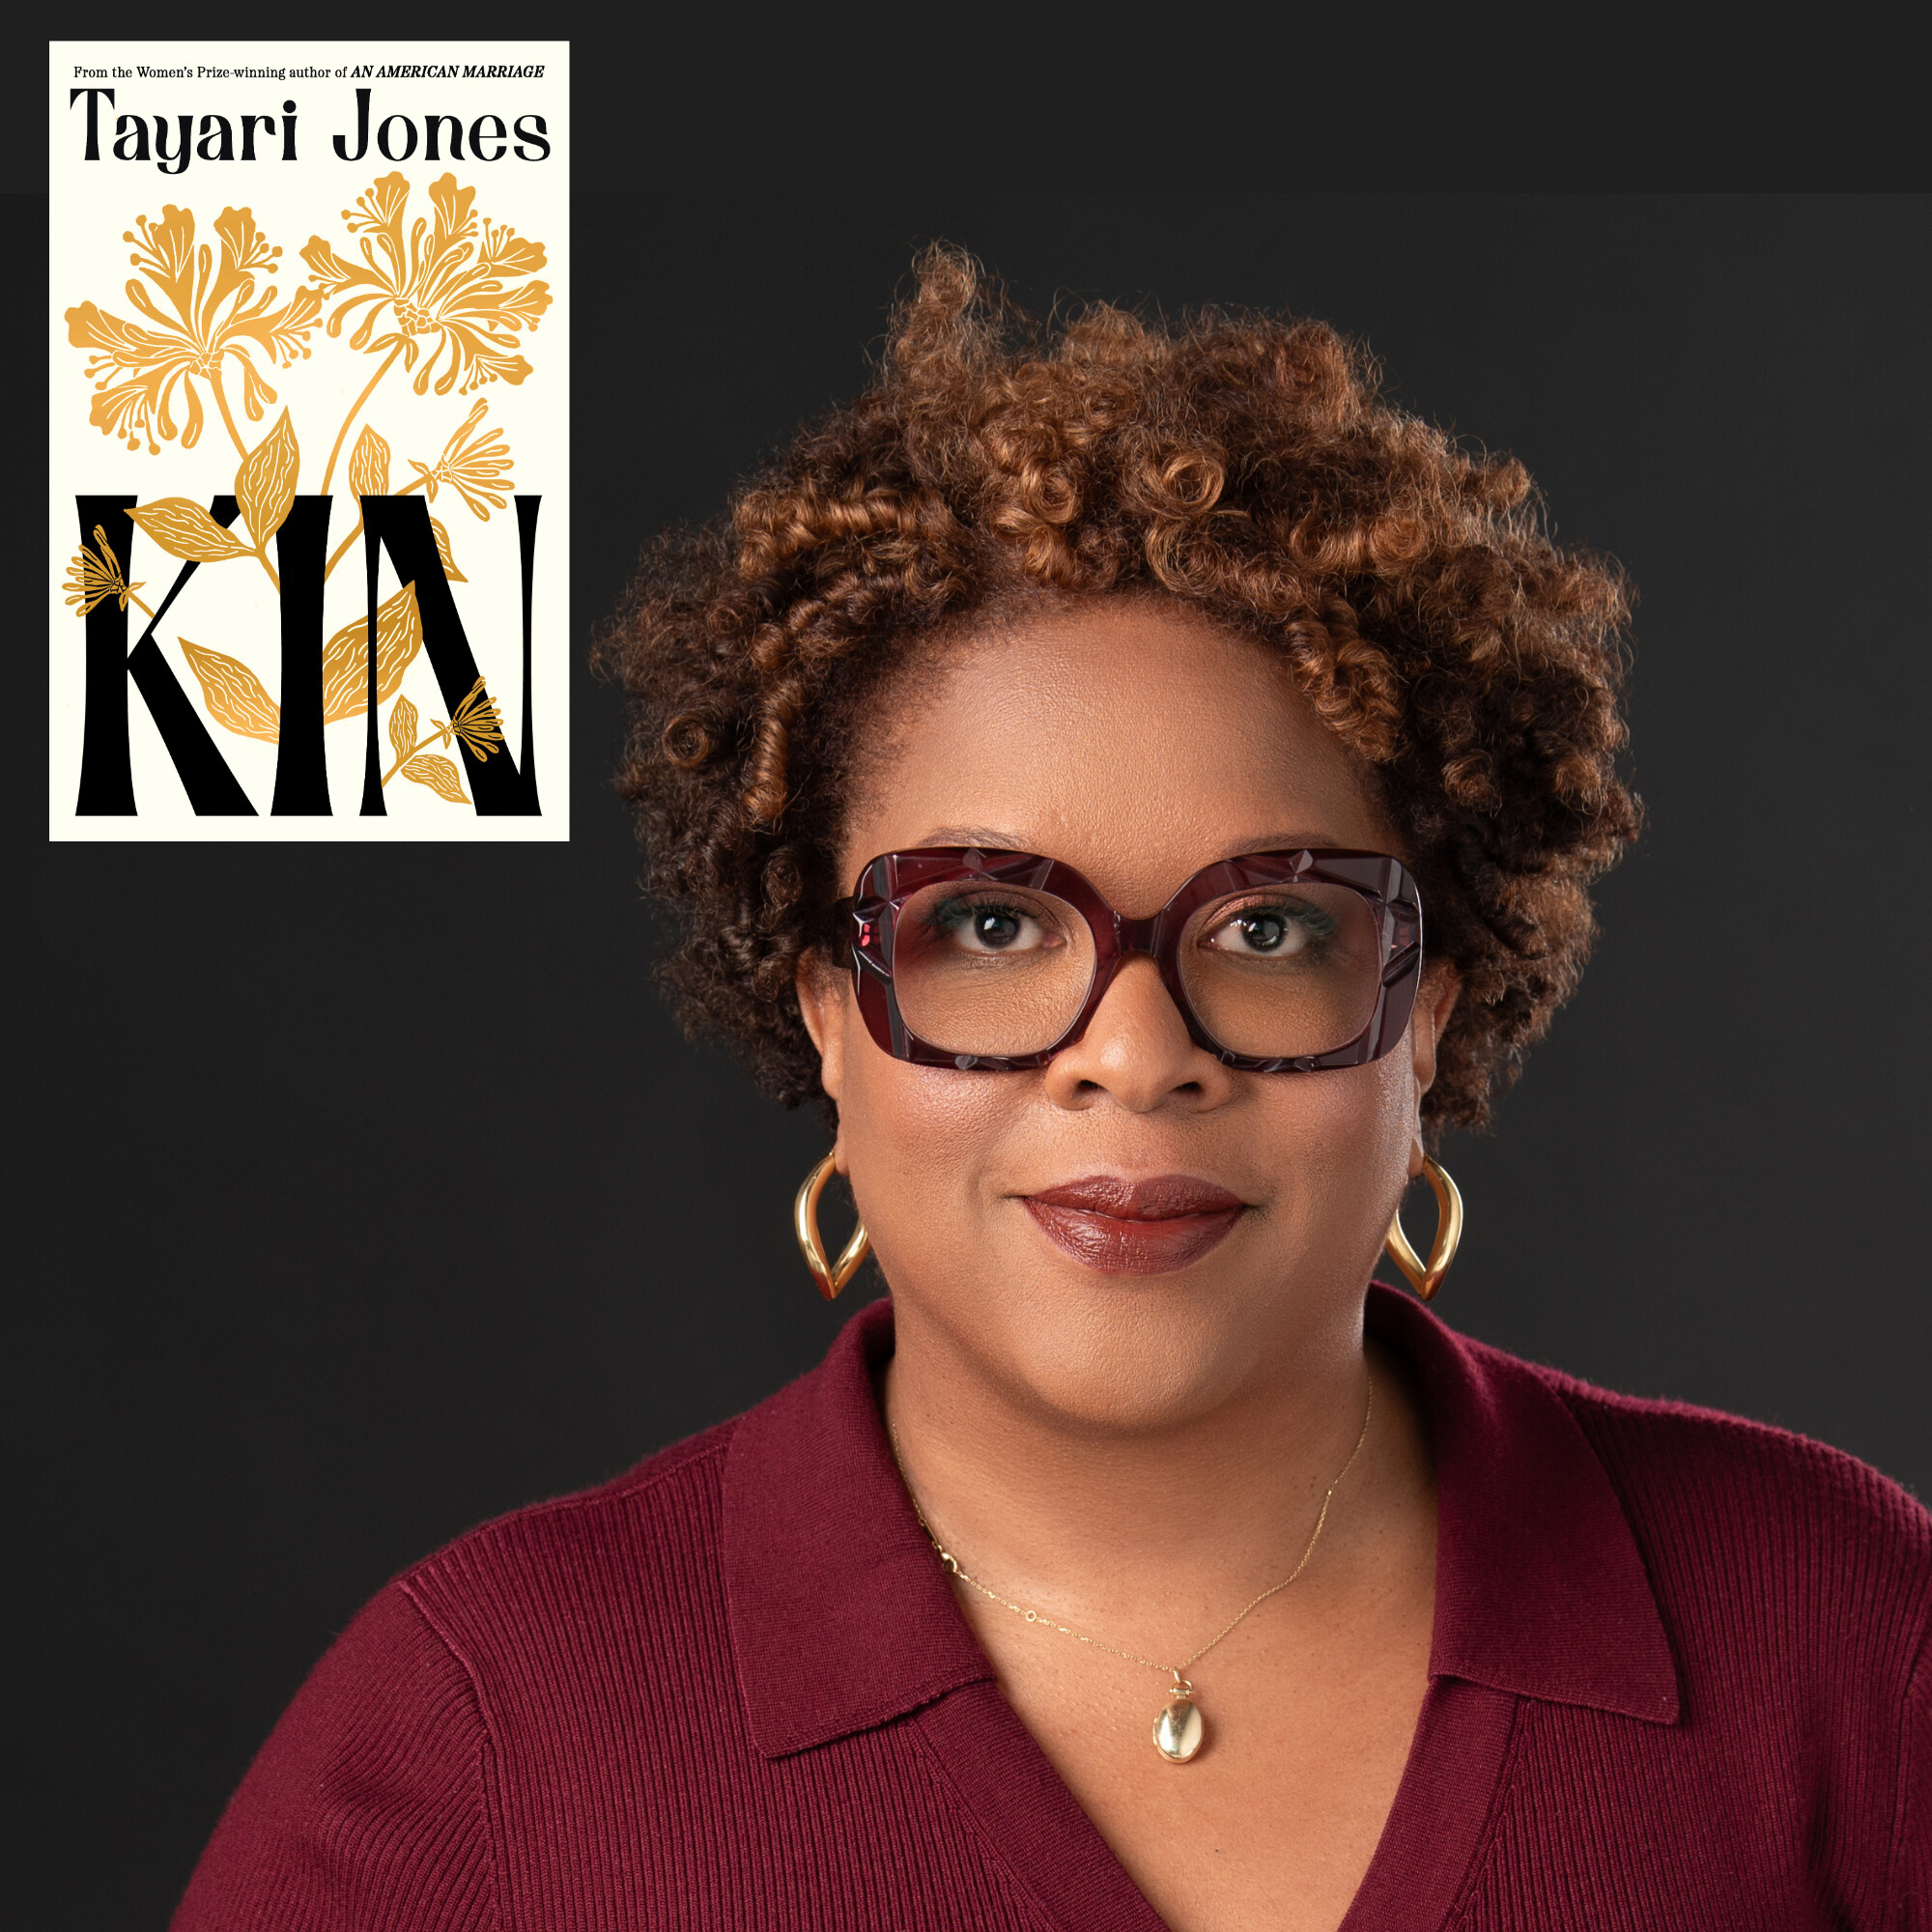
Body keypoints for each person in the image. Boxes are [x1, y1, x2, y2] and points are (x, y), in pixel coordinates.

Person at [172, 247, 1932, 1932]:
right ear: (831, 1016)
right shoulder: (485, 1730)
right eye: (995, 920)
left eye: (1271, 923)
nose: (1136, 1049)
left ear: (1429, 1020)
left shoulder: (1844, 1634)